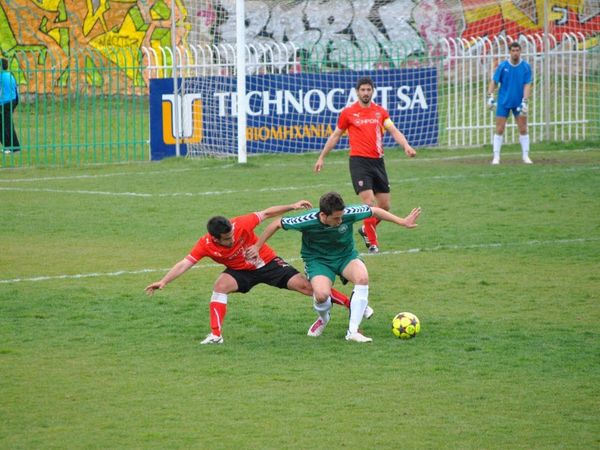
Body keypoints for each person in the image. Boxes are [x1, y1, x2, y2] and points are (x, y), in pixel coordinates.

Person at [144, 200, 370, 345]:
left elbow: (266, 213)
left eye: (232, 234)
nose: (232, 238)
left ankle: (355, 306)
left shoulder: (240, 223)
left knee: (310, 288)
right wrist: (164, 281)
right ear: (214, 238)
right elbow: (185, 263)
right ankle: (215, 336)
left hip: (268, 264)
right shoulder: (205, 245)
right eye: (227, 239)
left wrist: (291, 206)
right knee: (220, 286)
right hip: (240, 272)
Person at [250, 192, 421, 343]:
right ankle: (323, 319)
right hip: (318, 261)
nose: (340, 221)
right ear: (323, 215)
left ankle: (352, 332)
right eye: (336, 218)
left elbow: (375, 210)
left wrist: (402, 222)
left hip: (346, 256)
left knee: (362, 278)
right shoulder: (306, 220)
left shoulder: (347, 213)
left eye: (341, 217)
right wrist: (257, 247)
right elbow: (277, 223)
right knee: (322, 295)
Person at [314, 76, 416, 255]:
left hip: (378, 161)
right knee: (369, 203)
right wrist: (322, 157)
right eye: (362, 90)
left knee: (384, 206)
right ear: (357, 92)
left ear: (372, 91)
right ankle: (373, 244)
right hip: (358, 162)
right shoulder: (348, 113)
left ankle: (366, 229)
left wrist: (406, 145)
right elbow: (336, 135)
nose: (366, 93)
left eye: (369, 90)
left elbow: (393, 130)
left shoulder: (380, 112)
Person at [487, 41, 533, 165]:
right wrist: (490, 97)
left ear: (520, 51)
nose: (515, 53)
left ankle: (525, 156)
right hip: (503, 101)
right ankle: (496, 157)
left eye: (517, 50)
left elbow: (527, 84)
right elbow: (494, 81)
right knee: (500, 128)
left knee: (523, 128)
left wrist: (525, 101)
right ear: (509, 52)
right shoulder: (503, 66)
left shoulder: (526, 67)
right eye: (513, 50)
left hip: (518, 102)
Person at [0, 57, 20, 154]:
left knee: (6, 125)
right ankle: (9, 147)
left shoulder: (1, 76)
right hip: (12, 101)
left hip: (4, 103)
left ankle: (14, 148)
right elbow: (16, 90)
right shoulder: (10, 75)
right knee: (5, 124)